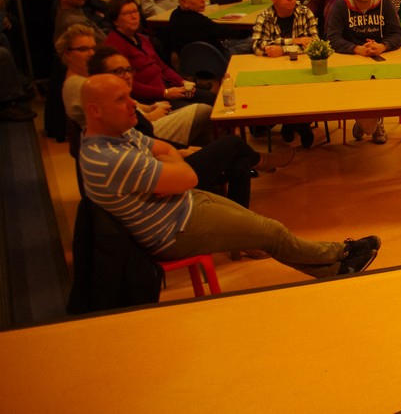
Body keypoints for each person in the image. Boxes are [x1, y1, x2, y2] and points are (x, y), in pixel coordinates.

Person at [78, 73, 379, 278]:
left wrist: (172, 166)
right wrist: (174, 166)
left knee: (266, 229)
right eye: (121, 99)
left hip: (180, 205)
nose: (133, 103)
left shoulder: (117, 133)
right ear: (95, 110)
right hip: (173, 229)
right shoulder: (110, 158)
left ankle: (334, 267)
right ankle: (339, 252)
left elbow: (166, 152)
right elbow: (188, 176)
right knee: (271, 232)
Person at [79, 46, 293, 216]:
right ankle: (262, 161)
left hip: (168, 161)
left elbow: (151, 143)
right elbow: (153, 156)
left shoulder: (126, 104)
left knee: (240, 163)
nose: (126, 75)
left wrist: (179, 150)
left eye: (128, 70)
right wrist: (179, 153)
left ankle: (242, 223)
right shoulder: (114, 117)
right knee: (232, 144)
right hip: (165, 178)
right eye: (118, 71)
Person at [326, 0, 401, 144]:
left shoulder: (385, 3)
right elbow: (332, 38)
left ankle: (370, 122)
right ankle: (370, 123)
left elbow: (398, 34)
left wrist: (383, 46)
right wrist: (356, 49)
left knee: (382, 87)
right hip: (352, 62)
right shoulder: (340, 6)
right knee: (361, 89)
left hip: (381, 60)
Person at [104, 0, 215, 108]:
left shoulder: (142, 38)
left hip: (167, 87)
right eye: (127, 13)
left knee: (211, 97)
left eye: (135, 12)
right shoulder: (114, 45)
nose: (134, 17)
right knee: (203, 109)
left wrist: (182, 82)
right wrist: (164, 93)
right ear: (115, 21)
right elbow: (129, 86)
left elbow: (163, 67)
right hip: (152, 99)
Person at [252, 0, 318, 147]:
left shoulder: (305, 13)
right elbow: (258, 46)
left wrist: (282, 49)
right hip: (274, 75)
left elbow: (314, 44)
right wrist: (293, 41)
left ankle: (291, 123)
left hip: (303, 73)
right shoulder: (265, 17)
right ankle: (298, 124)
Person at [170, 0, 253, 57]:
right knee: (254, 41)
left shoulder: (174, 15)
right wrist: (251, 30)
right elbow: (226, 32)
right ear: (184, 2)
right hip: (216, 58)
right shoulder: (198, 21)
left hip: (189, 60)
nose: (203, 0)